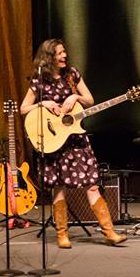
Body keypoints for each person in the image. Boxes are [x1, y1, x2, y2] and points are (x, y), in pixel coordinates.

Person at [19, 39, 126, 248]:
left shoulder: (72, 75)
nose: (64, 56)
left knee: (92, 184)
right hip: (55, 141)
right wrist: (43, 103)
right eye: (59, 53)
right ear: (49, 57)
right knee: (59, 187)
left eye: (64, 52)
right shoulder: (39, 80)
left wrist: (75, 96)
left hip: (76, 139)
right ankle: (62, 234)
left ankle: (109, 232)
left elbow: (90, 100)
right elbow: (23, 108)